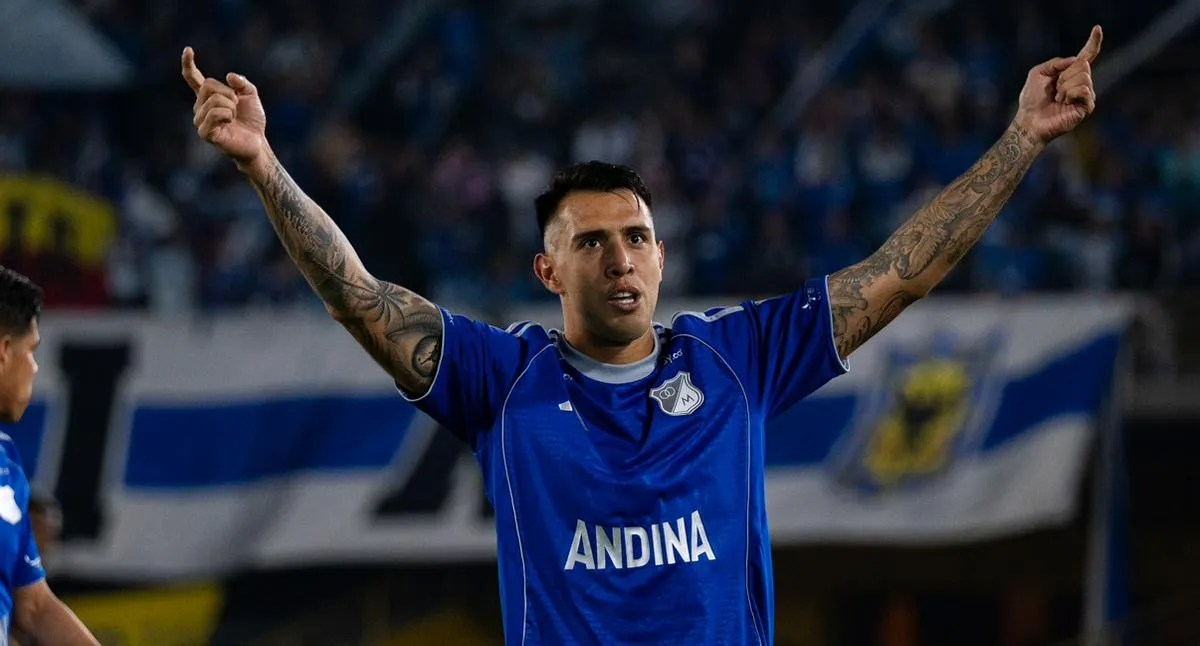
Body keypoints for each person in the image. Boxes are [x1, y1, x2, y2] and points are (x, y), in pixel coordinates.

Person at [182, 24, 1102, 645]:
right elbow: (358, 296)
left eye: (636, 237)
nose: (619, 257)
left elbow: (904, 270)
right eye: (590, 242)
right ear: (549, 272)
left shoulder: (737, 360)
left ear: (661, 257)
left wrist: (1022, 139)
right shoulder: (502, 379)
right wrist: (263, 165)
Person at [0, 267, 98, 645]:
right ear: (4, 351)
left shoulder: (6, 467)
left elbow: (35, 607)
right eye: (32, 351)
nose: (35, 368)